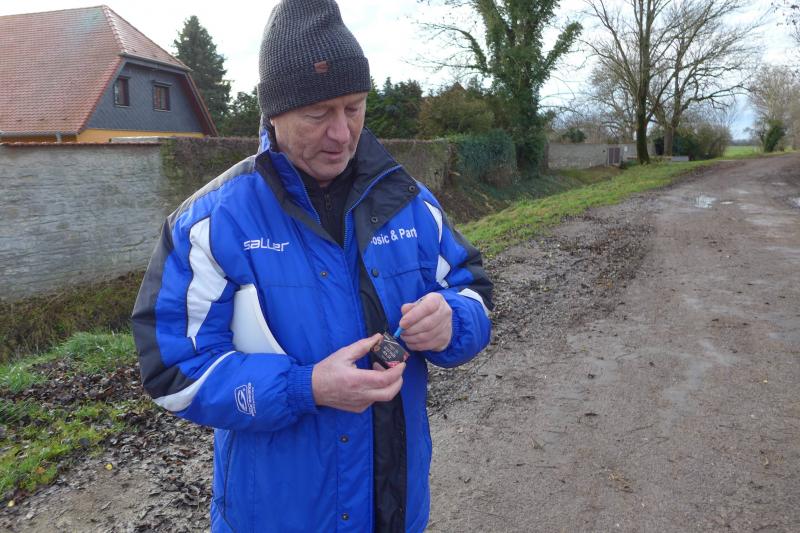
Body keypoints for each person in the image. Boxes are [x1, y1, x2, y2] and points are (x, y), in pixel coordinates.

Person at [131, 1, 492, 531]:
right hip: (273, 516)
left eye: (354, 107)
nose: (342, 133)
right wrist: (305, 387)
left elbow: (474, 292)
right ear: (274, 114)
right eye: (318, 114)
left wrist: (452, 320)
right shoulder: (211, 222)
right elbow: (171, 370)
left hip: (395, 511)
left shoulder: (410, 203)